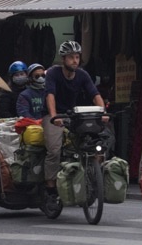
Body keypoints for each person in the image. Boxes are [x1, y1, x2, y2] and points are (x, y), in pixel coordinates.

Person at [43, 41, 106, 200]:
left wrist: (102, 112)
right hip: (53, 116)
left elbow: (95, 95)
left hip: (73, 115)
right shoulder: (53, 73)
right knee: (54, 150)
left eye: (77, 57)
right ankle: (50, 188)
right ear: (63, 59)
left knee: (94, 143)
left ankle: (93, 178)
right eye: (71, 57)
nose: (75, 61)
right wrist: (54, 116)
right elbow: (50, 95)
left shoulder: (83, 75)